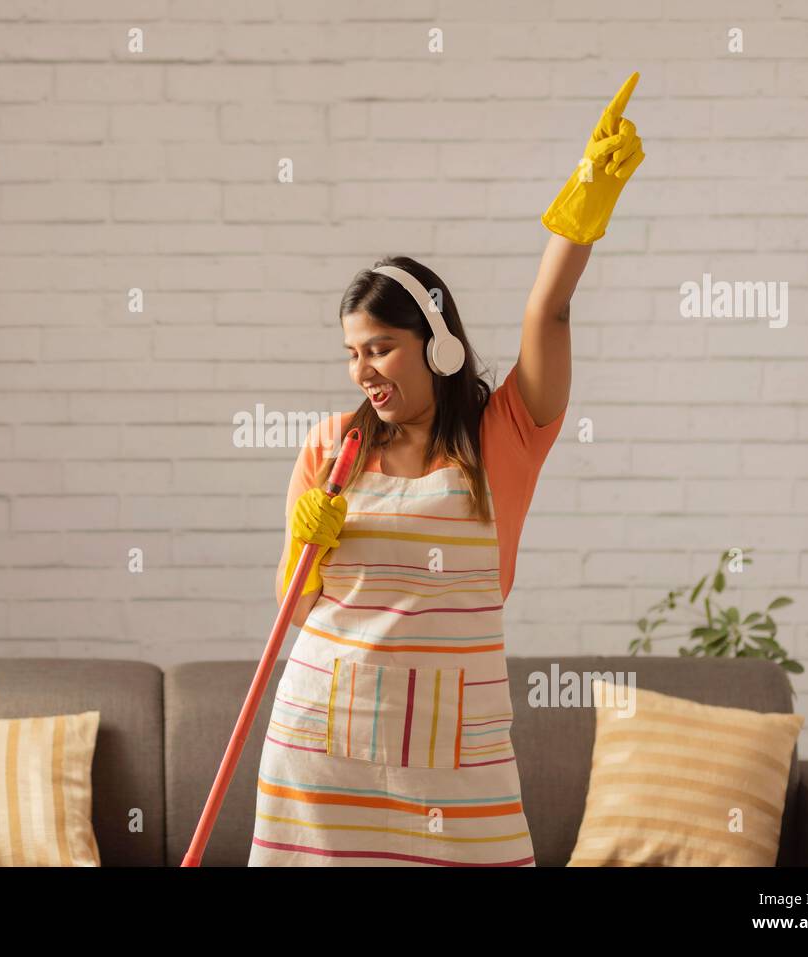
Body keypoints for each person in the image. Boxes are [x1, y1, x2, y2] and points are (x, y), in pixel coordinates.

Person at [248, 73, 645, 866]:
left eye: (380, 347)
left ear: (437, 343)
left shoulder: (505, 434)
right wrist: (306, 542)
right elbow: (295, 609)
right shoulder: (332, 448)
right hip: (319, 746)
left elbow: (549, 310)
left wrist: (584, 202)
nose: (363, 369)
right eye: (352, 354)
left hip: (458, 757)